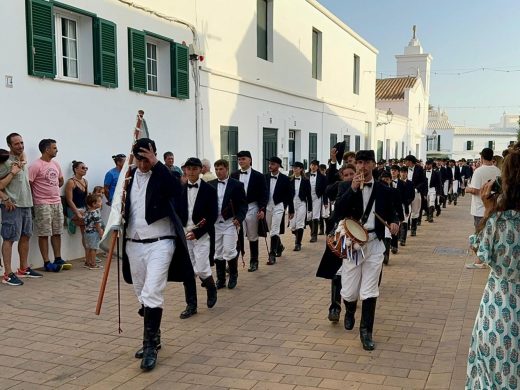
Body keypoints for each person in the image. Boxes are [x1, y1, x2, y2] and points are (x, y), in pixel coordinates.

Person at [121, 138, 193, 371]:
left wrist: (156, 163)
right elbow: (118, 208)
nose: (143, 164)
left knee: (152, 291)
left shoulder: (165, 175)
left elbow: (176, 190)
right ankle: (156, 336)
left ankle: (150, 346)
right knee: (141, 293)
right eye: (139, 159)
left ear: (154, 155)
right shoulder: (127, 179)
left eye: (146, 159)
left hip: (161, 243)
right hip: (133, 242)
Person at [316, 150, 399, 351]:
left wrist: (395, 222)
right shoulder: (345, 186)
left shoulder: (384, 189)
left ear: (373, 165)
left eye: (367, 162)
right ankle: (350, 309)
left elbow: (393, 212)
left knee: (370, 290)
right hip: (352, 245)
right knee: (349, 291)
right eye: (359, 163)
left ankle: (366, 332)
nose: (362, 166)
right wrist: (352, 189)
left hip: (374, 243)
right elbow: (338, 213)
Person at [465, 147, 520, 389]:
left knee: (491, 377)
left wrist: (489, 209)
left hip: (500, 311)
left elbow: (480, 251)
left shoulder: (501, 221)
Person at [175, 157, 218, 319]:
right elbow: (176, 212)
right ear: (185, 170)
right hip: (184, 234)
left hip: (201, 233)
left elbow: (212, 215)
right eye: (188, 169)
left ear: (201, 170)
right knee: (187, 270)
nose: (191, 172)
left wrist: (198, 232)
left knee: (200, 266)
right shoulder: (180, 189)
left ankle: (211, 287)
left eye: (194, 169)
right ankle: (191, 305)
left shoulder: (209, 190)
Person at [0, 136, 43, 285]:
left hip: (26, 204)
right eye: (16, 144)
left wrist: (22, 161)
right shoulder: (5, 162)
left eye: (22, 143)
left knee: (26, 236)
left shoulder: (21, 159)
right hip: (12, 206)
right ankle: (7, 274)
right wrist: (5, 198)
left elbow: (22, 155)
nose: (20, 146)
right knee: (9, 238)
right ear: (9, 145)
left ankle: (23, 269)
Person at [28, 139, 71, 271]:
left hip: (57, 202)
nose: (56, 150)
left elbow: (60, 180)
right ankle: (47, 262)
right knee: (44, 233)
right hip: (42, 204)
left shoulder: (56, 164)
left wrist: (55, 185)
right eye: (54, 148)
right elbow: (29, 183)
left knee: (57, 232)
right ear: (47, 149)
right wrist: (37, 196)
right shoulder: (35, 165)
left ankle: (58, 259)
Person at [208, 159, 247, 289]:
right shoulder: (210, 184)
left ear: (227, 169)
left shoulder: (236, 185)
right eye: (216, 169)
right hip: (215, 224)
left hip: (230, 222)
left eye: (221, 169)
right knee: (217, 252)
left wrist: (239, 218)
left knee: (229, 250)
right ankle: (220, 279)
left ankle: (233, 275)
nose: (218, 172)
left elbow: (243, 205)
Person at [230, 151, 268, 272]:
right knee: (236, 236)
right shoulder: (234, 175)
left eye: (243, 159)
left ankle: (254, 261)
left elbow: (264, 194)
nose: (241, 161)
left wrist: (262, 209)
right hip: (239, 209)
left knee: (252, 235)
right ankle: (233, 263)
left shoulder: (258, 176)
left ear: (250, 160)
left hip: (252, 208)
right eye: (239, 159)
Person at [465, 147, 502, 269]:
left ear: (481, 157)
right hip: (495, 208)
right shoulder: (498, 171)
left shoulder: (479, 171)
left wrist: (467, 189)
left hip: (480, 209)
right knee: (491, 235)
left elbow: (476, 190)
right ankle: (486, 260)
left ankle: (480, 261)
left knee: (478, 236)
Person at [265, 157, 294, 265]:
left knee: (275, 229)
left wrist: (291, 209)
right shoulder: (265, 177)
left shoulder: (285, 179)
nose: (270, 166)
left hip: (279, 206)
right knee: (270, 229)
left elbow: (289, 195)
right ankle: (280, 246)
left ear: (278, 166)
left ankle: (272, 254)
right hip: (268, 206)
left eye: (272, 164)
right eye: (269, 164)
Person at [289, 162, 311, 251]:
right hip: (292, 203)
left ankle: (298, 243)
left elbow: (309, 195)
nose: (294, 169)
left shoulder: (306, 180)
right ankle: (297, 235)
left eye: (296, 168)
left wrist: (310, 208)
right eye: (293, 168)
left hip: (302, 203)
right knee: (293, 226)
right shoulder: (289, 179)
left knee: (300, 224)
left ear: (301, 169)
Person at [404, 155, 426, 236]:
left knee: (415, 210)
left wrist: (416, 189)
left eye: (406, 161)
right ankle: (404, 232)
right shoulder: (404, 169)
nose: (405, 162)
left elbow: (423, 181)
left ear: (410, 161)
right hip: (405, 193)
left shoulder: (419, 169)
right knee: (405, 211)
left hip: (416, 192)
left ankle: (413, 229)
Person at [65, 160, 88, 236]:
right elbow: (69, 200)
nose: (85, 170)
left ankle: (88, 247)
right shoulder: (71, 182)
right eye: (82, 168)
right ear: (76, 169)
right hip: (73, 209)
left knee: (85, 232)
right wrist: (77, 213)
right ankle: (71, 221)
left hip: (83, 208)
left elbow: (86, 198)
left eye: (86, 168)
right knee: (89, 221)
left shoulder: (85, 181)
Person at [306, 160, 327, 242]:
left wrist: (325, 202)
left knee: (315, 216)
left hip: (317, 198)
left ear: (317, 167)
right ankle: (312, 231)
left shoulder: (322, 177)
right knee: (308, 217)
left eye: (315, 165)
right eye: (312, 165)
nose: (313, 167)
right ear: (310, 166)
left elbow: (324, 190)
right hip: (307, 199)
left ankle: (314, 235)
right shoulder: (305, 175)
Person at [83, 193, 103, 269]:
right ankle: (93, 264)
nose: (101, 203)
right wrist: (101, 232)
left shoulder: (87, 212)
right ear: (94, 204)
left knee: (88, 248)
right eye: (99, 201)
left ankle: (87, 262)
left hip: (86, 233)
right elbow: (97, 224)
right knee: (94, 249)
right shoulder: (95, 213)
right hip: (94, 233)